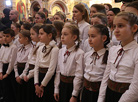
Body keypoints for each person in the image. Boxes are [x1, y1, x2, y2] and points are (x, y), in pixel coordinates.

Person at [97, 12, 138, 102]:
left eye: (120, 26)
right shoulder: (113, 50)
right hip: (109, 93)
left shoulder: (136, 52)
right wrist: (100, 98)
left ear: (134, 28)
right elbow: (106, 77)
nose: (116, 30)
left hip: (127, 97)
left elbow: (135, 88)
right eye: (115, 26)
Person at [54, 24, 84, 102]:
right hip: (62, 85)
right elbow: (58, 71)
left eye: (65, 34)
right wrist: (56, 89)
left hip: (72, 86)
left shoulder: (79, 53)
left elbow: (79, 75)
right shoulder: (61, 51)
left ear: (74, 37)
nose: (62, 37)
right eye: (61, 34)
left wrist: (74, 94)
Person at [81, 24, 110, 102]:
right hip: (86, 91)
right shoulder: (87, 55)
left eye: (93, 36)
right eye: (89, 36)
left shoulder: (108, 56)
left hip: (99, 92)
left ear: (104, 38)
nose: (89, 39)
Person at [34, 24, 59, 102]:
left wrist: (42, 85)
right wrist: (36, 84)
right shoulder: (40, 48)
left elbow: (51, 70)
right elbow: (36, 67)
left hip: (48, 80)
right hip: (39, 78)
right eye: (39, 34)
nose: (39, 36)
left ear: (50, 35)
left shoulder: (55, 49)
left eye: (41, 34)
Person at [20, 23, 43, 102]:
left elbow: (38, 64)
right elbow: (28, 62)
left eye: (33, 34)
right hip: (29, 74)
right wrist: (24, 74)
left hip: (34, 75)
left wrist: (29, 75)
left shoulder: (41, 47)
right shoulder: (35, 45)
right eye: (30, 34)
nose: (31, 36)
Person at [14, 30, 32, 102]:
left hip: (24, 72)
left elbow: (28, 64)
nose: (18, 39)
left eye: (20, 37)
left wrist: (21, 76)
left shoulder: (31, 49)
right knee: (17, 93)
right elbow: (15, 62)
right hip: (18, 71)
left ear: (26, 39)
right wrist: (16, 75)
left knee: (24, 93)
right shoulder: (19, 48)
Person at [0, 28, 17, 102]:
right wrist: (0, 72)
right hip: (3, 67)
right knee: (4, 88)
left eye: (7, 36)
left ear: (12, 37)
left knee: (10, 88)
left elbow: (12, 62)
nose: (4, 38)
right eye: (3, 36)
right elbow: (0, 60)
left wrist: (7, 74)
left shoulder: (14, 47)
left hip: (10, 70)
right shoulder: (3, 46)